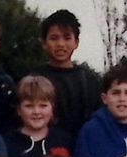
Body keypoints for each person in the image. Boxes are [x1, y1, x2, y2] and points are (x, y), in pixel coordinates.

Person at [31, 9, 102, 139]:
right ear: (44, 43)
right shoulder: (33, 80)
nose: (60, 44)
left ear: (76, 42)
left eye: (67, 38)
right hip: (46, 146)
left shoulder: (90, 81)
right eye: (54, 38)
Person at [4, 75, 73, 157]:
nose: (36, 111)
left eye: (43, 105)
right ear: (19, 110)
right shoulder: (8, 143)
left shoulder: (65, 141)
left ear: (52, 108)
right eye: (29, 106)